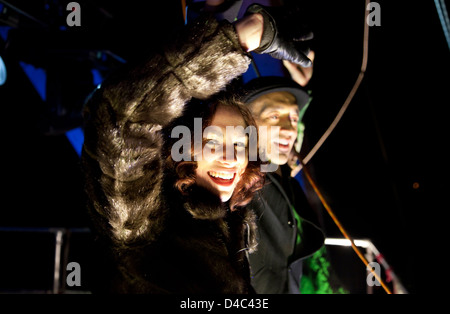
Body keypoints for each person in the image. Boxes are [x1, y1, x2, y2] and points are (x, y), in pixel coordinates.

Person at [81, 4, 313, 293]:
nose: (231, 158)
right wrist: (242, 37)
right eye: (212, 142)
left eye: (240, 143)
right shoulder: (146, 222)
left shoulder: (232, 223)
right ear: (181, 149)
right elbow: (123, 119)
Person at [242, 76, 347, 294]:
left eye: (292, 118)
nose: (289, 129)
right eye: (274, 115)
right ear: (245, 123)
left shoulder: (286, 177)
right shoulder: (236, 177)